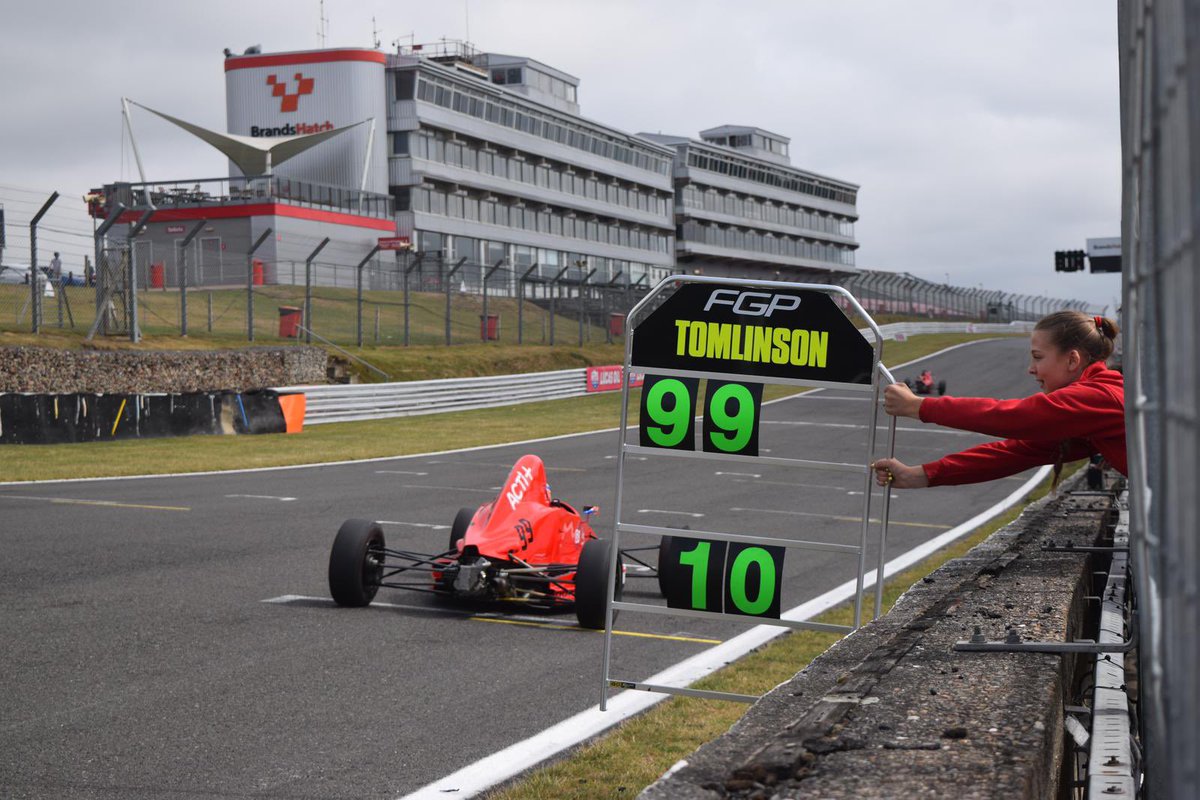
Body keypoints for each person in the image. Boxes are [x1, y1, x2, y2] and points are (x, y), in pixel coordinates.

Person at [870, 311, 1125, 489]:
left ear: (1072, 360)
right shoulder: (1099, 398)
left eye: (1038, 357)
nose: (1031, 369)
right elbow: (1017, 452)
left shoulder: (1101, 396)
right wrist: (921, 475)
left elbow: (1015, 416)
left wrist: (920, 407)